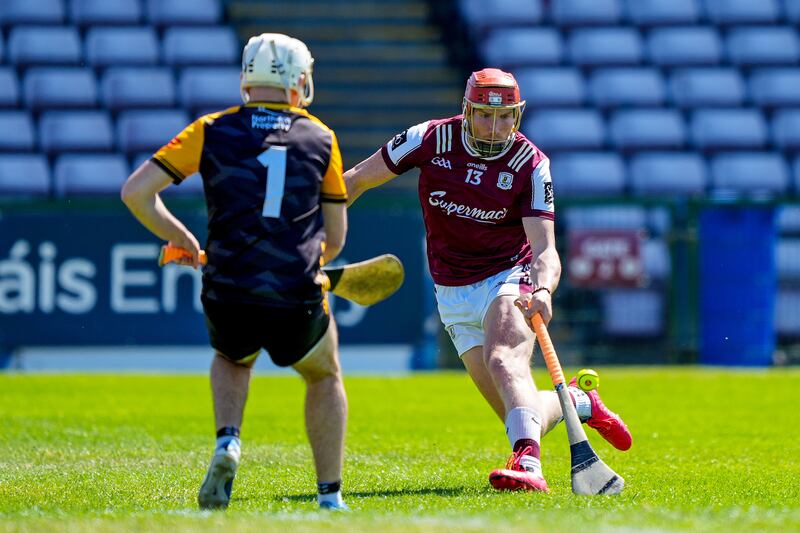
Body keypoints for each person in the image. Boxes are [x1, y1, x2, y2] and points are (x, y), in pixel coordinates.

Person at [344, 68, 632, 492]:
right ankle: (578, 402)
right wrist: (310, 230)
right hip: (451, 289)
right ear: (466, 111)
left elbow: (545, 247)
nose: (495, 128)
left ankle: (529, 468)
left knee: (504, 361)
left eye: (505, 118)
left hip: (507, 275)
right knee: (521, 412)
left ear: (517, 116)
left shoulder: (530, 163)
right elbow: (355, 181)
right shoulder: (429, 138)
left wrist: (544, 289)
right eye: (484, 116)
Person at [121, 33, 350, 510]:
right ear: (298, 80)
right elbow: (336, 238)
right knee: (324, 375)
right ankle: (329, 497)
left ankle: (228, 440)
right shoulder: (322, 138)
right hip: (295, 293)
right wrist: (311, 260)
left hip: (227, 287)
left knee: (231, 357)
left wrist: (183, 238)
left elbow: (136, 193)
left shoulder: (210, 128)